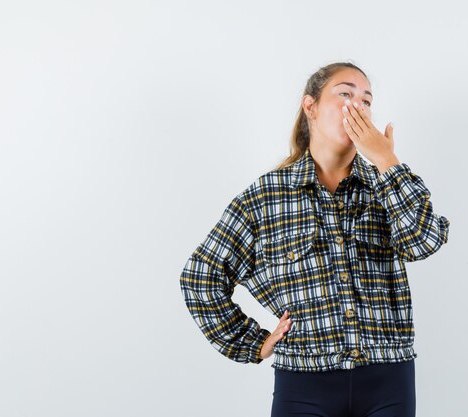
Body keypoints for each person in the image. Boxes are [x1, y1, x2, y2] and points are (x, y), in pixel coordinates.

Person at [179, 61, 451, 417]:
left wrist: (387, 160)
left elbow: (423, 242)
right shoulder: (266, 197)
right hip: (304, 383)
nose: (358, 106)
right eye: (345, 94)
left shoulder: (387, 184)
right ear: (311, 107)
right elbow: (200, 277)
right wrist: (254, 344)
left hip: (389, 379)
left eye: (367, 101)